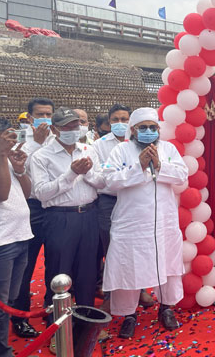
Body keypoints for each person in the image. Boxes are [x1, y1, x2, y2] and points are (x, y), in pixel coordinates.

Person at [102, 108, 188, 338]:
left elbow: (182, 176)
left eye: (153, 127)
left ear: (159, 130)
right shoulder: (121, 150)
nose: (149, 131)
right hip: (132, 223)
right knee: (129, 267)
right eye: (143, 127)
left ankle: (166, 308)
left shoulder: (168, 148)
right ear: (133, 130)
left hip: (164, 222)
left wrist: (160, 165)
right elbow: (109, 180)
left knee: (167, 264)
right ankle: (128, 314)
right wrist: (138, 166)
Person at [30, 107, 106, 318]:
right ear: (54, 129)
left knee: (88, 273)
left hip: (89, 215)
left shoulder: (88, 149)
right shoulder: (42, 156)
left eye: (76, 125)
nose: (73, 130)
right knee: (58, 271)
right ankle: (57, 327)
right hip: (60, 218)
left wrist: (87, 172)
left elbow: (101, 182)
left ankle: (86, 322)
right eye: (67, 127)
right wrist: (72, 173)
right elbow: (41, 193)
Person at [94, 104, 154, 312]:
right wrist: (131, 173)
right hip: (110, 201)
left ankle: (140, 290)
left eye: (124, 119)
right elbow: (104, 177)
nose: (120, 124)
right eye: (115, 120)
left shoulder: (141, 142)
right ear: (108, 122)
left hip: (136, 200)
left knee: (140, 245)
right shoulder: (100, 145)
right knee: (112, 248)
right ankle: (111, 295)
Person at [11, 97, 55, 338]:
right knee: (25, 267)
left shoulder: (57, 139)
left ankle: (53, 311)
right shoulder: (21, 141)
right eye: (41, 114)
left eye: (49, 114)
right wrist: (35, 143)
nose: (45, 119)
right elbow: (18, 169)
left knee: (55, 263)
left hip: (55, 209)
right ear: (29, 118)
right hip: (32, 208)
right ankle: (19, 316)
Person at [0, 104, 33, 357]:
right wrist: (0, 159)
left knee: (7, 304)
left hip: (20, 235)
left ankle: (3, 349)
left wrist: (18, 168)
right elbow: (0, 194)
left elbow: (25, 193)